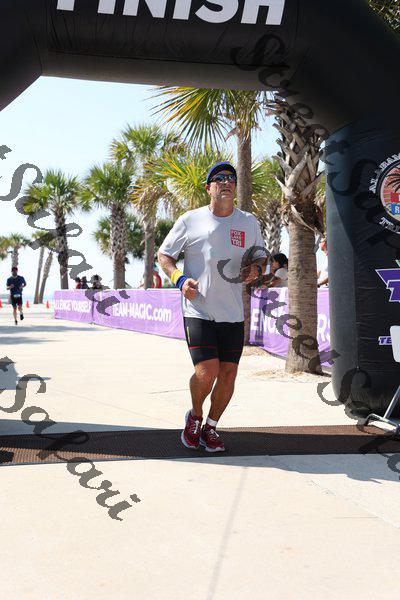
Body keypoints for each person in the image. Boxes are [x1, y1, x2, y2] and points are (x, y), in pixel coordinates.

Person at [158, 161, 267, 453]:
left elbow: (260, 255)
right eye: (219, 178)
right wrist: (180, 280)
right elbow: (164, 255)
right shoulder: (190, 220)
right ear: (208, 188)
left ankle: (211, 426)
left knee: (228, 374)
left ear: (236, 187)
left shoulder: (249, 222)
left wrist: (256, 269)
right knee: (207, 372)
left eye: (231, 177)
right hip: (199, 309)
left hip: (232, 312)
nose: (226, 181)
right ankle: (195, 416)